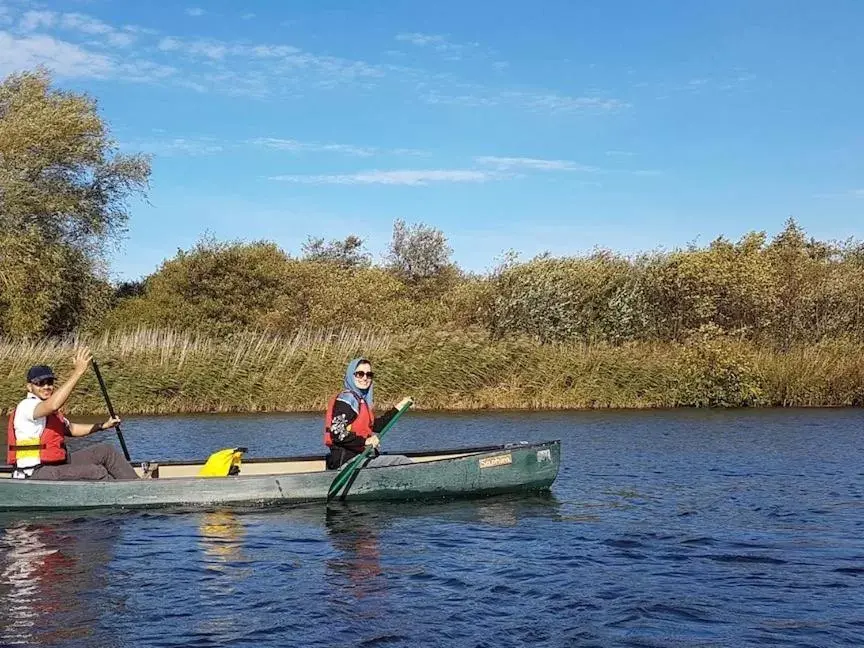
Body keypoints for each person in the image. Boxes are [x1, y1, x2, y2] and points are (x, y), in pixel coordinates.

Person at [6, 346, 139, 481]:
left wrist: (103, 426)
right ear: (29, 387)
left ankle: (137, 486)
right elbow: (53, 405)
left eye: (50, 382)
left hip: (57, 464)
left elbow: (72, 429)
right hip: (35, 472)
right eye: (40, 383)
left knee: (106, 451)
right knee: (95, 472)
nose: (46, 387)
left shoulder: (51, 414)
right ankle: (124, 495)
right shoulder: (27, 406)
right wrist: (78, 372)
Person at [324, 358, 413, 470]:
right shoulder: (347, 400)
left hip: (360, 458)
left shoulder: (361, 401)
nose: (365, 378)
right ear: (351, 376)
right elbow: (337, 433)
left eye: (369, 374)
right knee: (402, 461)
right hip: (348, 463)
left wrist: (399, 407)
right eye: (360, 374)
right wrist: (365, 441)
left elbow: (378, 426)